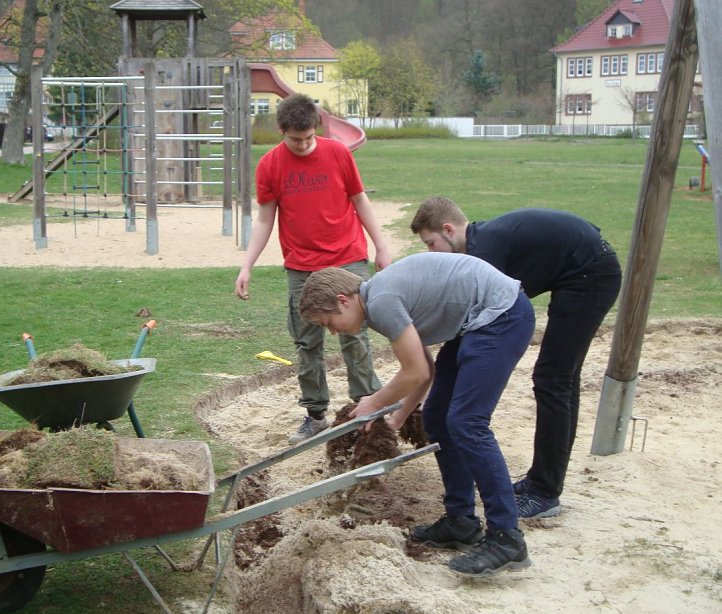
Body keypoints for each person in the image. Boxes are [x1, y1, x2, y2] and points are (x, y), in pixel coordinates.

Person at [298, 253, 535, 577]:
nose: (333, 332)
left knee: (468, 423)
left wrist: (373, 403)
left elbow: (415, 371)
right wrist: (396, 418)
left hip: (501, 316)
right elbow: (425, 372)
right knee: (437, 417)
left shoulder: (381, 302)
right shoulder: (379, 300)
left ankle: (507, 538)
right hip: (476, 323)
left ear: (343, 301)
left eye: (328, 324)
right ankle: (461, 521)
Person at [410, 197, 622, 518]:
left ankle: (546, 491)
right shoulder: (481, 244)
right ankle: (542, 479)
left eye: (431, 243)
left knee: (553, 379)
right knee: (558, 380)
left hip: (591, 274)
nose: (430, 252)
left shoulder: (485, 254)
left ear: (449, 229)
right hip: (575, 270)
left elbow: (473, 323)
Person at [235, 93, 392, 444]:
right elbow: (264, 219)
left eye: (308, 137)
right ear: (281, 131)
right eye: (295, 139)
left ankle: (366, 407)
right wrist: (247, 266)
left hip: (347, 256)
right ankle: (316, 415)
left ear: (316, 128)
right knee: (307, 344)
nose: (304, 145)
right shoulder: (270, 166)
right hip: (301, 266)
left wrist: (381, 246)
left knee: (355, 336)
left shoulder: (338, 153)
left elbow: (359, 200)